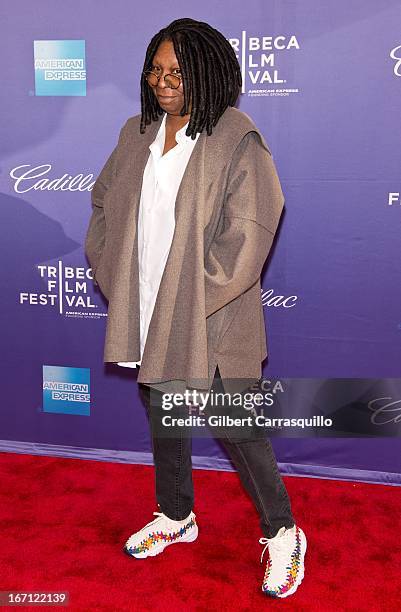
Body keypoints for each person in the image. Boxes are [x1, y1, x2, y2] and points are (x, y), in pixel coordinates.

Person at [85, 17, 307, 599]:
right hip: (149, 309)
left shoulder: (236, 137)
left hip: (215, 312)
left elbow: (250, 232)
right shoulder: (136, 132)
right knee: (164, 412)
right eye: (156, 71)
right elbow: (104, 203)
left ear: (208, 74)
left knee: (236, 424)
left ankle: (283, 531)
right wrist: (117, 272)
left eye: (177, 73)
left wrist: (194, 296)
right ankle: (176, 514)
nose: (163, 82)